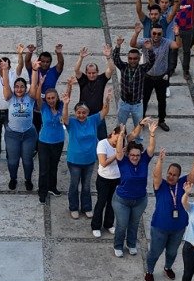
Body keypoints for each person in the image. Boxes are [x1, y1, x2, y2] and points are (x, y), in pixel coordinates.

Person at [145, 149, 194, 281]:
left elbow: (192, 178)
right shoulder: (161, 185)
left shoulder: (182, 185)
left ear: (178, 176)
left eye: (174, 175)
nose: (171, 177)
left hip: (178, 228)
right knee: (155, 251)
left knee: (172, 252)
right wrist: (160, 161)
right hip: (160, 227)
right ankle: (149, 271)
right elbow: (156, 175)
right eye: (169, 174)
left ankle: (168, 267)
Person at [112, 119, 158, 257]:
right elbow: (119, 150)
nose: (135, 157)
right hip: (122, 200)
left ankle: (131, 244)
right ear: (128, 155)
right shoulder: (123, 161)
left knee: (134, 223)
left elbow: (151, 148)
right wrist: (121, 136)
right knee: (122, 224)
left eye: (137, 155)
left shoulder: (144, 160)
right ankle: (118, 245)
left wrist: (152, 134)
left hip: (140, 200)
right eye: (132, 155)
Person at [63, 82, 103, 220]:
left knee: (86, 186)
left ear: (87, 113)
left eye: (84, 112)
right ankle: (73, 207)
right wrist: (66, 104)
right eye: (79, 112)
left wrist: (108, 100)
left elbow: (104, 112)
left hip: (89, 160)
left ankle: (86, 207)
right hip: (74, 160)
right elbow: (65, 118)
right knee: (74, 184)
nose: (81, 115)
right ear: (76, 113)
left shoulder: (92, 120)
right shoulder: (72, 123)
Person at [1, 65, 38, 192]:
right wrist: (5, 70)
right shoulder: (10, 98)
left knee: (27, 160)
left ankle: (28, 179)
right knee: (13, 160)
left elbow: (34, 84)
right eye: (17, 86)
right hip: (12, 135)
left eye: (22, 86)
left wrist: (34, 70)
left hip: (28, 134)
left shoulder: (31, 97)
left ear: (25, 88)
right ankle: (13, 178)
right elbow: (5, 84)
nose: (19, 89)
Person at [30, 72, 66, 202]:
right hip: (44, 142)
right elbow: (37, 96)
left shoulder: (61, 106)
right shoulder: (43, 106)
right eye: (49, 98)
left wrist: (70, 86)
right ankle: (42, 191)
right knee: (44, 168)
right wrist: (40, 84)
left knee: (54, 166)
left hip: (58, 141)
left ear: (57, 98)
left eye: (53, 98)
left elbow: (67, 99)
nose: (51, 100)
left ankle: (52, 187)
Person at [109, 42, 146, 134]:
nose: (132, 61)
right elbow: (116, 59)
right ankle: (120, 143)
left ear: (139, 59)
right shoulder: (124, 67)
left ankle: (138, 144)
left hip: (137, 104)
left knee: (138, 127)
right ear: (128, 59)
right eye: (130, 58)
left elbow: (152, 61)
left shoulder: (142, 69)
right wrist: (118, 46)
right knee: (120, 127)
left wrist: (150, 49)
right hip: (124, 103)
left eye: (135, 59)